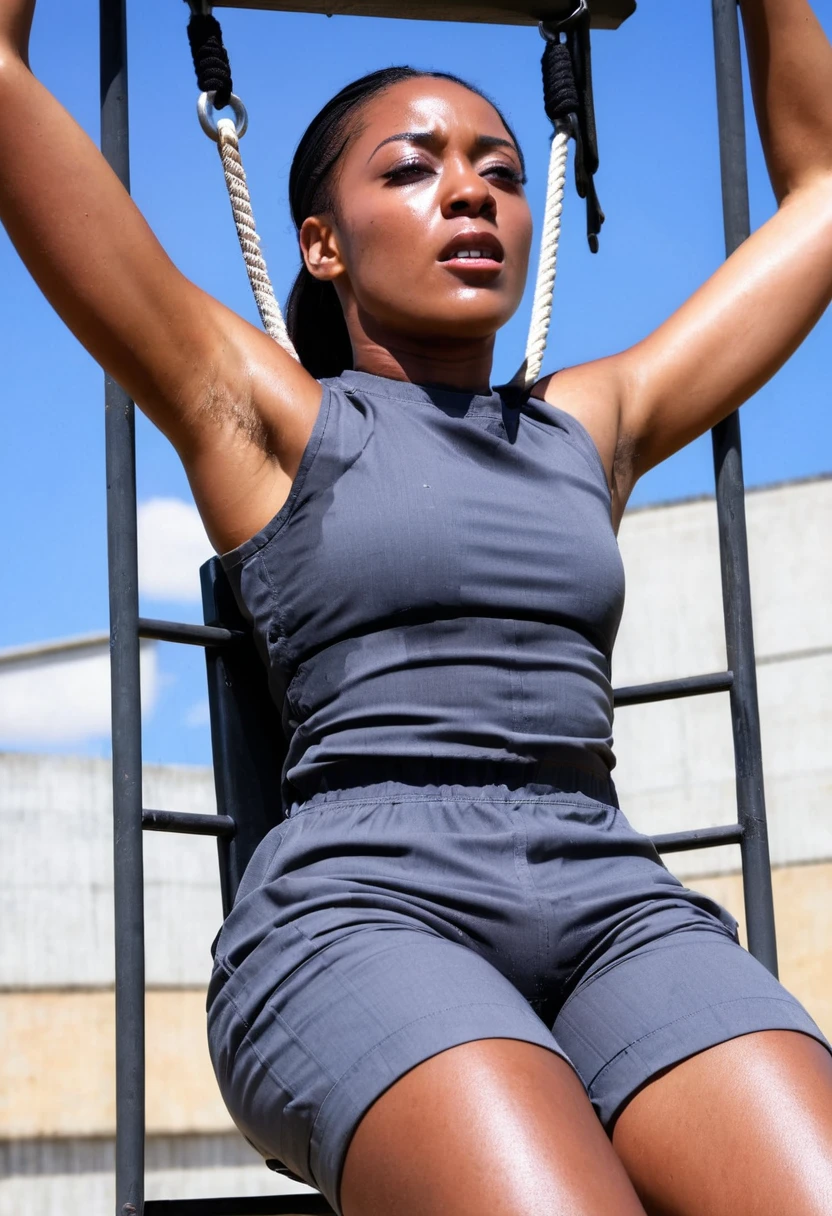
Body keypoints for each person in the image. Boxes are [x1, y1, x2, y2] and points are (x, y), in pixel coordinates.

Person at [3, 0, 832, 1212]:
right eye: (413, 168)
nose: (470, 193)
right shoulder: (266, 416)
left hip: (607, 896)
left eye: (498, 171)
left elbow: (820, 198)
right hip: (362, 909)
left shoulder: (589, 426)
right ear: (322, 245)